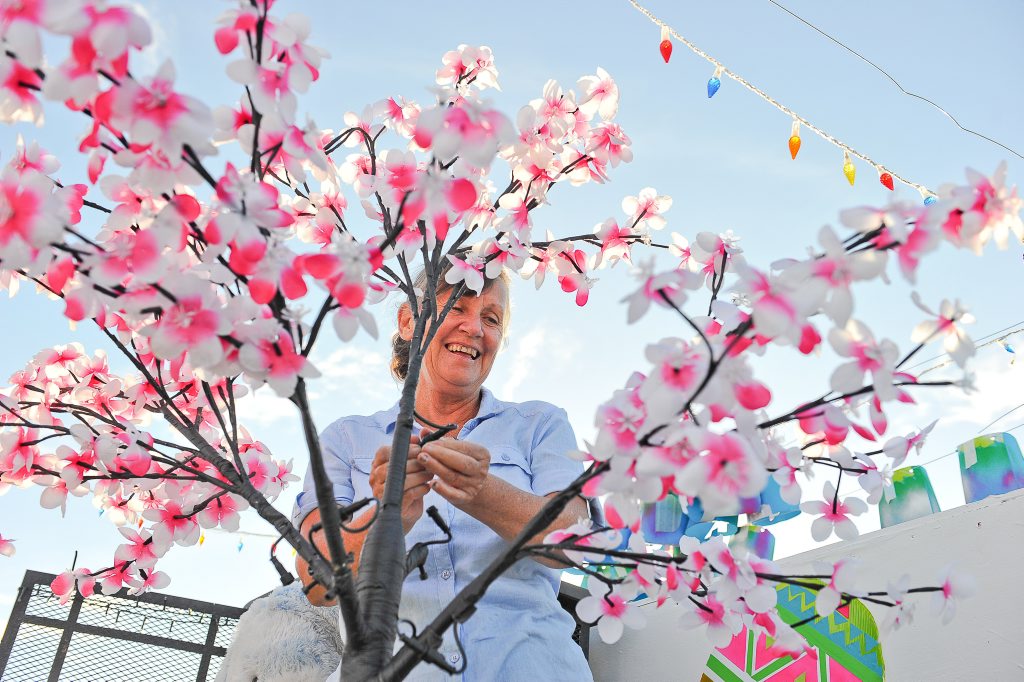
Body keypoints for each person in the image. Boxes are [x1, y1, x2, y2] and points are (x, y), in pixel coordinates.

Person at [292, 268, 594, 681]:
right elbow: (315, 581)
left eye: (491, 319)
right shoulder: (345, 439)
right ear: (407, 320)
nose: (474, 328)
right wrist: (388, 517)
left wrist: (483, 491)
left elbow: (574, 542)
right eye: (458, 306)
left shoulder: (540, 424)